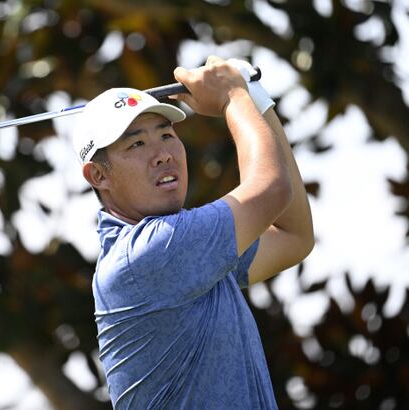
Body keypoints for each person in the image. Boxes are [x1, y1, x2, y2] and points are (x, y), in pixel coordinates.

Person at [72, 56, 314, 409]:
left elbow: (293, 237)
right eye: (136, 144)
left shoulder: (186, 247)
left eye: (166, 135)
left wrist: (254, 99)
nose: (162, 155)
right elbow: (272, 189)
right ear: (98, 175)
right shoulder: (150, 253)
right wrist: (233, 95)